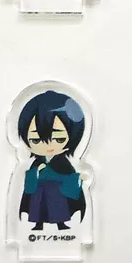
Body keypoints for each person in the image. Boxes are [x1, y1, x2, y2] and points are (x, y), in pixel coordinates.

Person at [18, 90, 86, 231]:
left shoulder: (63, 162)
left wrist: (78, 179)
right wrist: (36, 172)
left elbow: (69, 178)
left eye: (59, 139)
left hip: (57, 191)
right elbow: (29, 181)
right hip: (40, 191)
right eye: (36, 140)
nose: (48, 146)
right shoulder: (37, 162)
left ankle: (61, 223)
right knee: (38, 207)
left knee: (58, 207)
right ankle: (38, 224)